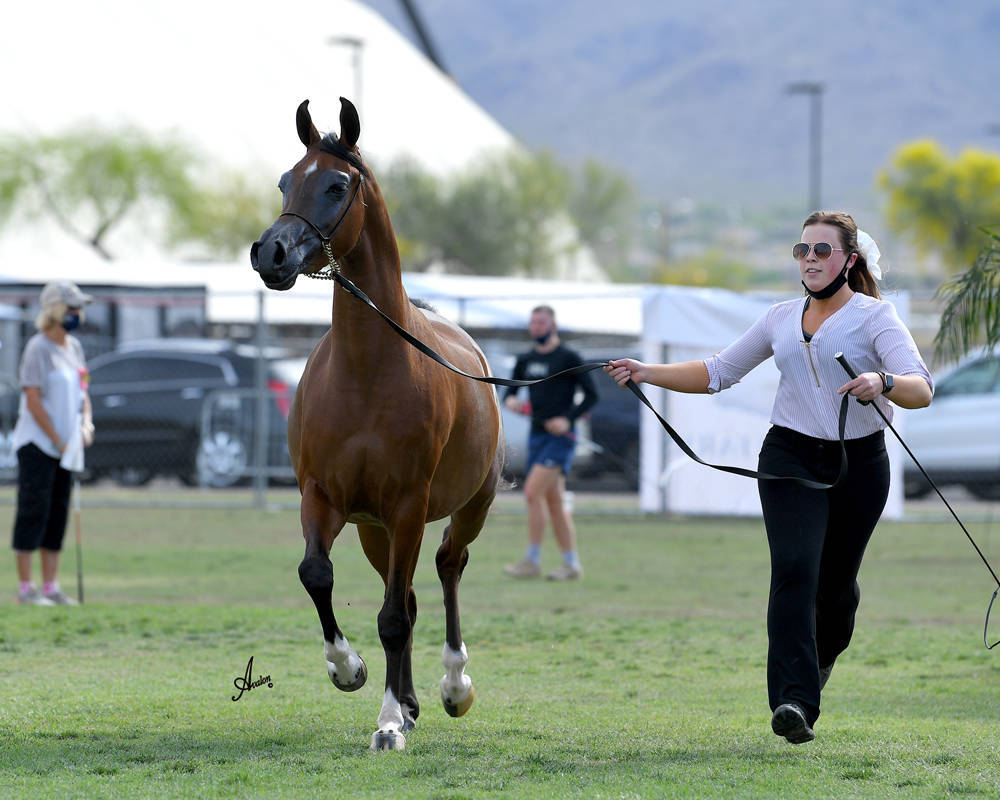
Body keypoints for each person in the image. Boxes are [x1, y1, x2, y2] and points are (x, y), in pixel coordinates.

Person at [606, 212, 933, 744]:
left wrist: (884, 380)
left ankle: (816, 665)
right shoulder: (779, 317)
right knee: (795, 572)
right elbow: (717, 372)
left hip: (860, 465)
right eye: (802, 249)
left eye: (822, 250)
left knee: (837, 592)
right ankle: (793, 701)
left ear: (849, 260)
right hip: (790, 456)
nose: (809, 258)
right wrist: (646, 372)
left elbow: (922, 388)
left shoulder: (877, 319)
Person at [11, 281, 95, 605]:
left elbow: (83, 390)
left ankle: (50, 587)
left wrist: (86, 425)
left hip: (67, 448)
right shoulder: (37, 348)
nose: (77, 314)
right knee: (34, 510)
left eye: (79, 308)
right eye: (71, 308)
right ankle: (25, 589)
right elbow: (32, 399)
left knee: (58, 511)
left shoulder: (74, 347)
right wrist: (57, 440)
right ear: (55, 310)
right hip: (38, 445)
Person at [502, 305, 598, 581]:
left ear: (553, 325)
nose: (537, 327)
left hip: (560, 439)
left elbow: (591, 396)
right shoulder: (526, 359)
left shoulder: (569, 357)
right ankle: (571, 564)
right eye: (533, 323)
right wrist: (511, 401)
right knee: (553, 501)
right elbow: (510, 390)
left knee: (532, 493)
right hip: (537, 435)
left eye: (542, 322)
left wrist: (568, 419)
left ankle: (532, 561)